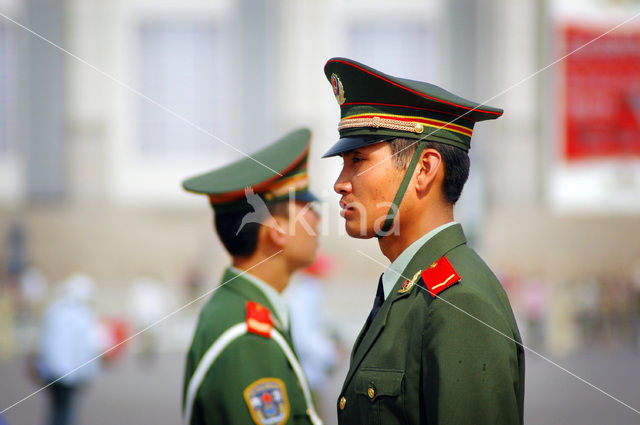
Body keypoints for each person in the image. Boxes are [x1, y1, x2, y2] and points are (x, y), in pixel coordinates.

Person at [321, 58, 525, 424]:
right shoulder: (411, 289)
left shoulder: (459, 303)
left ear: (424, 169)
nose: (341, 182)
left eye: (357, 160)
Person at [182, 128, 323, 425]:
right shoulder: (249, 338)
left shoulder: (238, 311)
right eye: (308, 206)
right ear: (277, 230)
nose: (318, 217)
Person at [35, 273, 100, 425]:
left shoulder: (53, 311)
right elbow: (87, 349)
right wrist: (88, 374)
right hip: (70, 373)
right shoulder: (84, 316)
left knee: (55, 409)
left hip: (51, 370)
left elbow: (44, 342)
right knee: (65, 412)